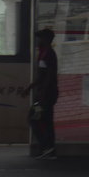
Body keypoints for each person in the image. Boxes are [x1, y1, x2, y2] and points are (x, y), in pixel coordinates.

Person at [24, 27, 59, 159]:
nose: (37, 40)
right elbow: (41, 76)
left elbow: (49, 76)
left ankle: (47, 147)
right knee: (44, 121)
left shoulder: (49, 54)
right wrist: (30, 88)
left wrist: (42, 94)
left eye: (40, 38)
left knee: (33, 118)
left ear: (46, 39)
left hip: (46, 95)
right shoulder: (44, 53)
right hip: (45, 94)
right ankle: (49, 149)